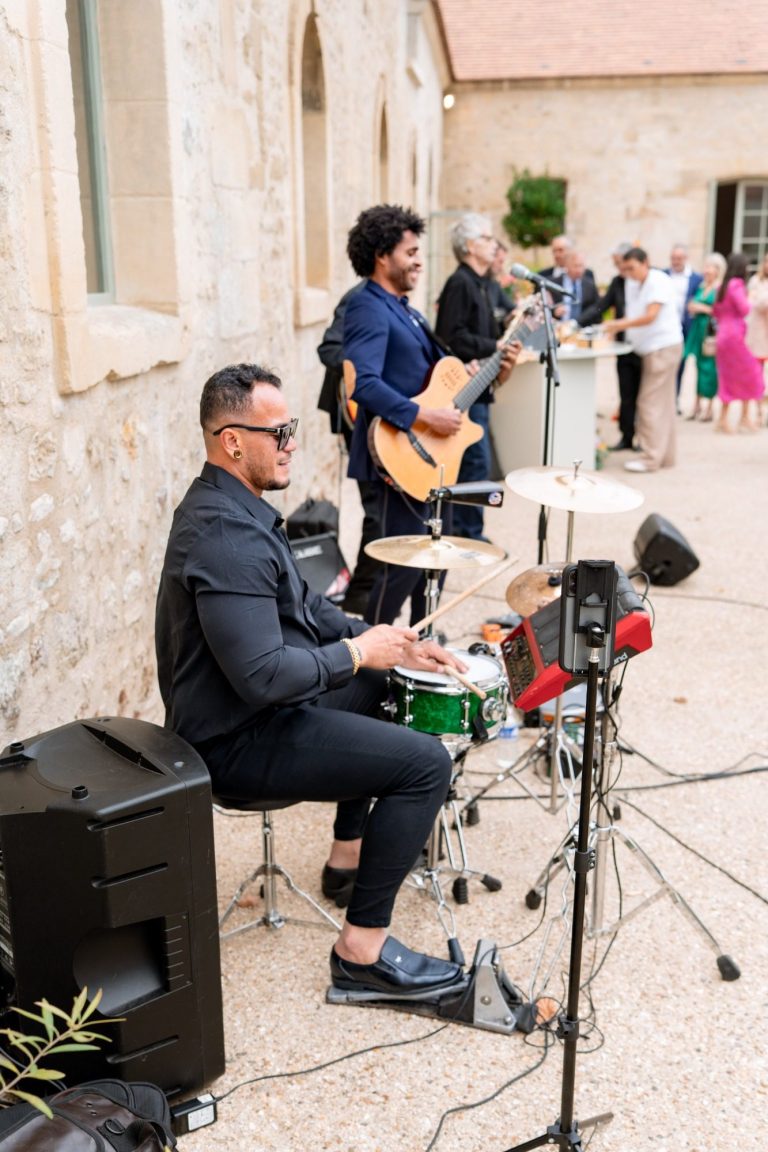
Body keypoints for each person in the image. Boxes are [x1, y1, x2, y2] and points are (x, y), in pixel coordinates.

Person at [155, 362, 470, 1000]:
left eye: (291, 428)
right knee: (426, 765)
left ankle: (346, 858)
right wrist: (356, 652)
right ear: (232, 441)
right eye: (280, 432)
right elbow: (264, 676)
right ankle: (361, 954)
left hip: (262, 712)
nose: (293, 442)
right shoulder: (225, 536)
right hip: (234, 740)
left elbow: (309, 611)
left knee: (388, 689)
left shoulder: (240, 510)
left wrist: (394, 646)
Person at [343, 204, 517, 625]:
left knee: (435, 560)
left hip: (432, 457)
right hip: (400, 456)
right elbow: (362, 384)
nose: (419, 260)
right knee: (401, 568)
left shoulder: (407, 310)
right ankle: (373, 649)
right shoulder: (367, 306)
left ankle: (423, 641)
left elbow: (436, 383)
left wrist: (490, 373)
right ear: (381, 256)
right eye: (410, 252)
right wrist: (424, 417)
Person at [434, 213, 522, 541]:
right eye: (486, 238)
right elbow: (450, 337)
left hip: (479, 387)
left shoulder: (482, 283)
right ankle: (466, 535)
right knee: (474, 464)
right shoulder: (460, 283)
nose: (493, 244)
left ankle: (469, 532)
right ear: (470, 246)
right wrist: (494, 345)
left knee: (477, 464)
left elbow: (482, 329)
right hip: (464, 390)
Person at [316, 282, 383, 615]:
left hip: (383, 420)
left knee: (385, 511)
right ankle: (361, 592)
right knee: (377, 511)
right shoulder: (359, 298)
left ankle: (375, 585)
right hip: (359, 420)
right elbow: (329, 349)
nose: (416, 261)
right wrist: (364, 365)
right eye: (409, 255)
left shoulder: (393, 301)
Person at [603, 246, 683, 473]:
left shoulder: (658, 280)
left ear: (645, 262)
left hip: (661, 350)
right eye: (625, 269)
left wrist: (618, 324)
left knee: (649, 404)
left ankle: (650, 458)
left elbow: (650, 316)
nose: (628, 273)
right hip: (652, 350)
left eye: (632, 268)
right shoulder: (635, 283)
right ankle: (665, 456)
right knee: (664, 405)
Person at [578, 241, 642, 451]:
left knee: (645, 396)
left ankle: (644, 437)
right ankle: (627, 435)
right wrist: (576, 323)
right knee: (626, 393)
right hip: (624, 345)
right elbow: (600, 307)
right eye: (616, 264)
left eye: (620, 262)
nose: (619, 268)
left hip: (645, 346)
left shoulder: (646, 279)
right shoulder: (618, 282)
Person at [713, 252, 765, 433]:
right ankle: (743, 417)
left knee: (727, 377)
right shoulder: (736, 285)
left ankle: (724, 419)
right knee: (751, 374)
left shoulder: (721, 286)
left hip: (722, 335)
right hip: (736, 336)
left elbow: (716, 311)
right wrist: (751, 298)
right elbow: (744, 309)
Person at [683, 252, 725, 422]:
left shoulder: (719, 288)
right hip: (698, 330)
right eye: (705, 267)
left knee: (711, 370)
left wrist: (702, 308)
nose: (706, 270)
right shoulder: (701, 286)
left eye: (710, 267)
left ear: (718, 270)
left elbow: (721, 311)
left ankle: (709, 407)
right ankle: (697, 404)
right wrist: (693, 307)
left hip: (711, 333)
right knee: (698, 368)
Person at [664, 244, 703, 402]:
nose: (676, 261)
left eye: (679, 258)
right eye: (673, 258)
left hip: (686, 327)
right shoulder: (663, 275)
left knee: (681, 364)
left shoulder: (696, 278)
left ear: (686, 258)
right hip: (666, 328)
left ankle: (675, 400)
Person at [555, 248, 600, 325]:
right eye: (575, 266)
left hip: (582, 328)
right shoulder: (554, 284)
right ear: (566, 265)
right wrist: (554, 311)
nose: (579, 270)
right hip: (558, 327)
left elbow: (596, 309)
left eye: (581, 266)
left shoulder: (590, 286)